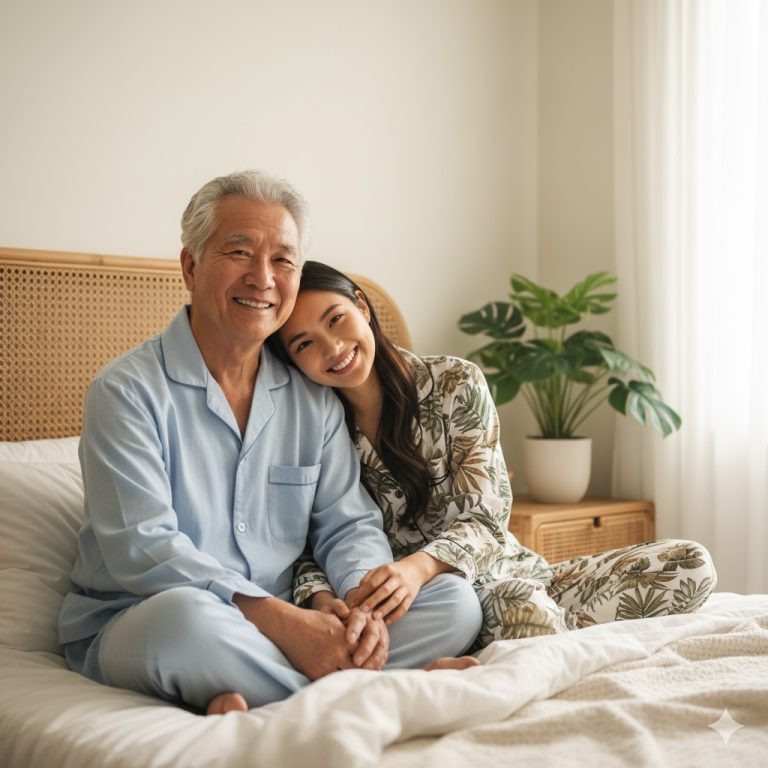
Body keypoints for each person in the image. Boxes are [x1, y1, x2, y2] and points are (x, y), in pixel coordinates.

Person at [57, 171, 482, 717]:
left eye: (283, 259)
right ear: (190, 266)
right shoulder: (125, 392)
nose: (263, 278)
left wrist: (361, 608)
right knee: (184, 626)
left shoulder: (313, 399)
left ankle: (264, 694)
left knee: (456, 604)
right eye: (239, 252)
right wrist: (282, 622)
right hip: (148, 614)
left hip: (297, 621)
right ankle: (394, 689)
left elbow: (347, 524)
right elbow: (143, 549)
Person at [273, 261, 718, 647]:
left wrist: (417, 567)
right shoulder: (311, 430)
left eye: (335, 319)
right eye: (305, 344)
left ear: (362, 307)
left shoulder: (455, 382)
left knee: (691, 564)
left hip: (513, 568)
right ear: (293, 361)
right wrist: (321, 599)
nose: (331, 347)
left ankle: (539, 635)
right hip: (439, 604)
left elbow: (487, 517)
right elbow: (314, 540)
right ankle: (538, 637)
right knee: (523, 611)